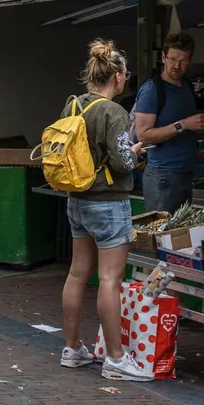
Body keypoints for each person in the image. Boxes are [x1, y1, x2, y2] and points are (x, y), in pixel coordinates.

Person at [59, 39, 150, 382]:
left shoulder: (73, 105)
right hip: (109, 203)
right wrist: (135, 153)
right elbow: (122, 162)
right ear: (117, 77)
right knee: (110, 280)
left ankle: (72, 349)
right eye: (125, 75)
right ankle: (116, 358)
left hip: (77, 199)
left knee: (77, 274)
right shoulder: (114, 112)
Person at [133, 32, 204, 213]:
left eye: (183, 61)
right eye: (173, 59)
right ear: (163, 57)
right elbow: (143, 135)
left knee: (182, 230)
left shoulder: (186, 87)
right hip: (163, 177)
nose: (177, 66)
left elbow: (186, 125)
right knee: (163, 230)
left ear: (190, 61)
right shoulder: (152, 90)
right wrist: (182, 125)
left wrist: (199, 126)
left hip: (185, 173)